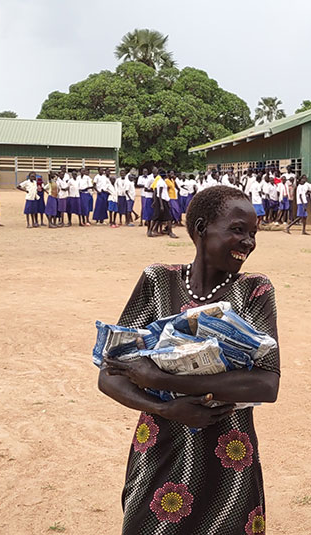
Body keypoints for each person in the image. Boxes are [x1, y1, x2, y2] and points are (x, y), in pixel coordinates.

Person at [99, 185, 279, 535]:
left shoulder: (255, 290)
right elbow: (110, 374)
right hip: (161, 446)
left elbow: (266, 383)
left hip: (229, 453)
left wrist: (163, 380)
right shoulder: (158, 281)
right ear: (200, 229)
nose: (249, 242)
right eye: (238, 230)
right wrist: (167, 409)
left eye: (254, 234)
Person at [151, 169, 178, 238]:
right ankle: (170, 232)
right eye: (165, 173)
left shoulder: (162, 182)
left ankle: (152, 230)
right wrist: (162, 205)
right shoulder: (161, 182)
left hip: (164, 200)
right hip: (161, 201)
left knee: (159, 218)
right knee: (166, 217)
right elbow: (159, 194)